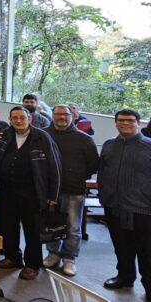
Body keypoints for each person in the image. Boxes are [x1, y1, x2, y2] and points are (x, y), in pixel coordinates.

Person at [98, 109, 151, 302]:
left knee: (147, 251)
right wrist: (104, 197)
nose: (125, 124)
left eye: (130, 121)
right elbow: (103, 173)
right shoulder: (109, 146)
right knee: (121, 247)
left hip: (145, 211)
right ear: (116, 123)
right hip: (115, 207)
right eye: (121, 120)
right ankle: (125, 277)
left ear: (138, 123)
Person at [0, 106, 61, 281]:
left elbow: (54, 167)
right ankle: (12, 257)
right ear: (10, 119)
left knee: (32, 230)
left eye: (22, 117)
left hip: (32, 192)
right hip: (7, 190)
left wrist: (53, 195)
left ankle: (32, 264)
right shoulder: (5, 135)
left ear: (29, 119)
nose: (18, 121)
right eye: (14, 118)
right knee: (8, 226)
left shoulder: (42, 137)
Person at [43, 105, 99, 276]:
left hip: (73, 189)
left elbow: (93, 165)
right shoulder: (43, 135)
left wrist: (75, 175)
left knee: (72, 227)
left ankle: (69, 258)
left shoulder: (84, 139)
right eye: (57, 114)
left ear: (73, 116)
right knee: (51, 223)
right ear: (52, 116)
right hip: (49, 190)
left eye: (65, 115)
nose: (61, 117)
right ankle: (53, 253)